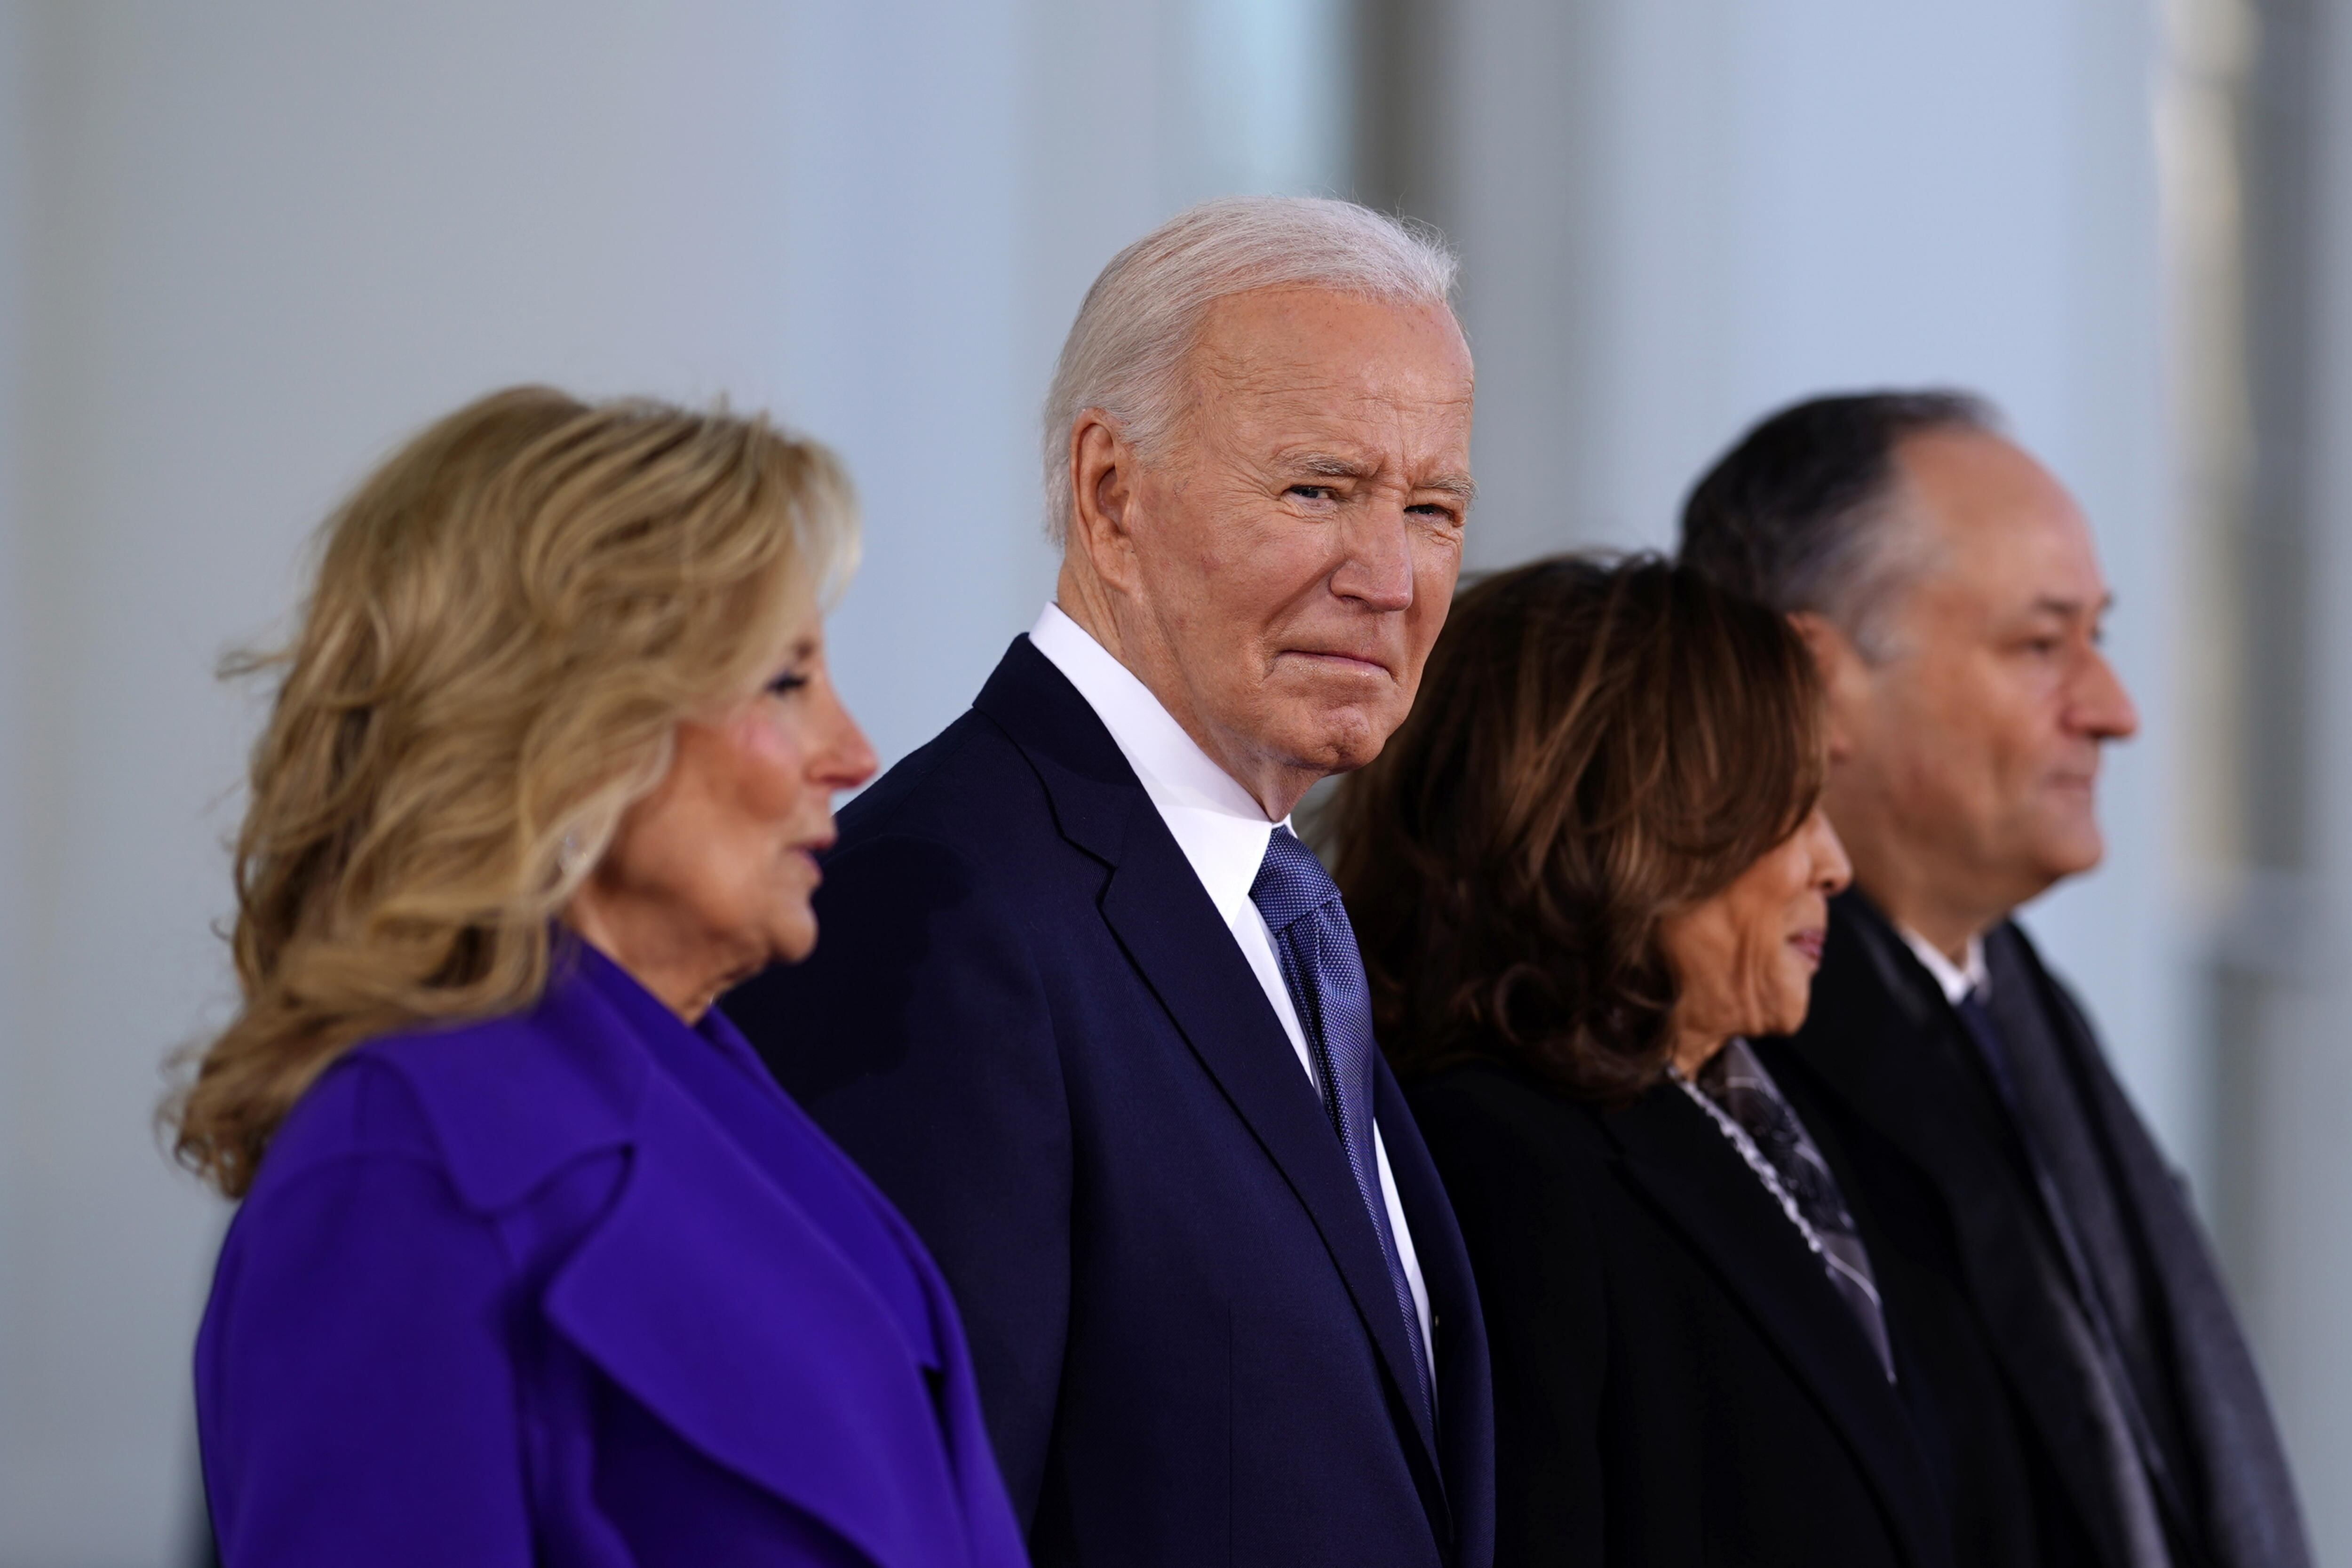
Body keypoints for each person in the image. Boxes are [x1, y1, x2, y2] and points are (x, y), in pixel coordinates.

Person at [726, 196, 1493, 1568]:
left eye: (1431, 508)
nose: (1388, 576)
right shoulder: (940, 906)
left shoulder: (1287, 914)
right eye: (1318, 488)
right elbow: (915, 1517)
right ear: (1109, 491)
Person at [173, 387, 1027, 1568]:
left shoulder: (720, 1095)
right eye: (786, 680)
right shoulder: (403, 1167)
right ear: (571, 727)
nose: (852, 751)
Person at [1679, 390, 2311, 1568]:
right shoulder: (1712, 1051)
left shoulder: (2017, 1005)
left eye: (2098, 638)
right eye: (2038, 644)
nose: (2113, 713)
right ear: (1816, 679)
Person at [1328, 554, 1960, 1568]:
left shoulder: (1757, 1115)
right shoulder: (1503, 1163)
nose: (1834, 863)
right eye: (1791, 805)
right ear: (1628, 821)